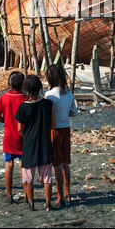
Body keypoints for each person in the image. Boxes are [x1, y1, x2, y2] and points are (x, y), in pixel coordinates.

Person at [15, 75, 55, 211]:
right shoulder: (48, 104)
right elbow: (53, 124)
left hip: (29, 144)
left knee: (28, 176)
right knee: (47, 176)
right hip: (45, 143)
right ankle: (48, 202)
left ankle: (31, 203)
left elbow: (20, 128)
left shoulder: (22, 107)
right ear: (39, 88)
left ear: (25, 89)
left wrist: (27, 136)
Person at [44, 64, 78, 207]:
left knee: (56, 164)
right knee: (65, 162)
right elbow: (74, 112)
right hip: (66, 128)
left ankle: (59, 196)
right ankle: (67, 192)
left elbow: (47, 116)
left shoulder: (49, 95)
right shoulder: (69, 94)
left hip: (54, 130)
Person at [0, 71, 26, 203]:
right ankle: (27, 194)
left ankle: (9, 195)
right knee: (23, 166)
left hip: (8, 136)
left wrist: (7, 121)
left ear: (9, 84)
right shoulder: (26, 98)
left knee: (9, 165)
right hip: (23, 135)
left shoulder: (3, 98)